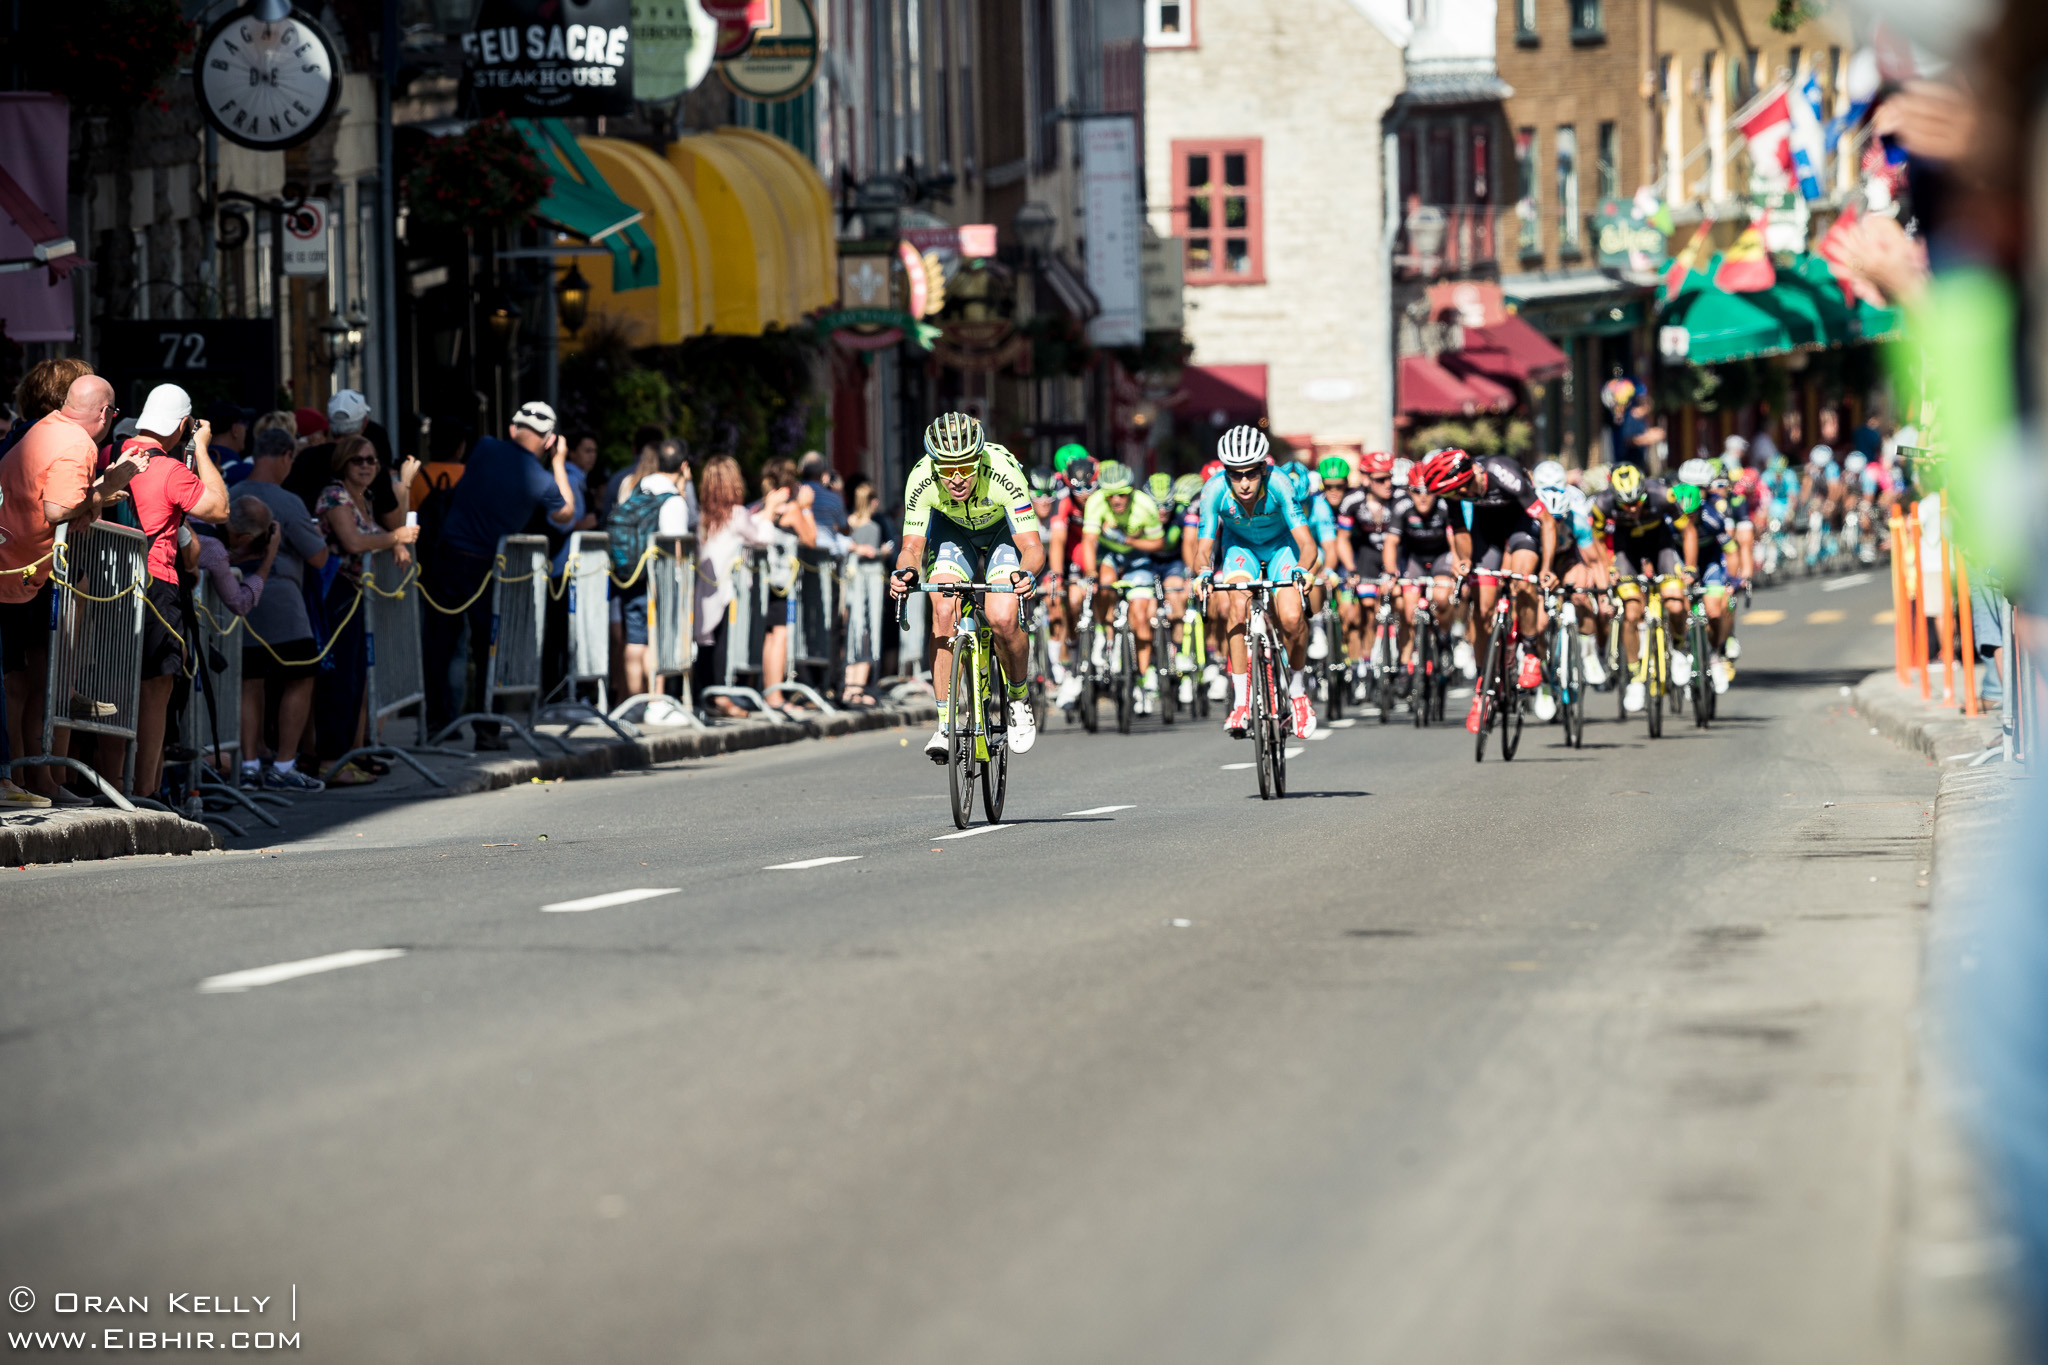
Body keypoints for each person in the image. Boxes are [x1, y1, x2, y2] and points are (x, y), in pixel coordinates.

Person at [0, 374, 147, 805]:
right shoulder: (78, 442)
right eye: (112, 413)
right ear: (104, 414)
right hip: (23, 571)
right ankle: (20, 778)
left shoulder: (45, 428)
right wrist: (97, 497)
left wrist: (97, 494)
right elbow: (59, 507)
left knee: (30, 678)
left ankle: (32, 778)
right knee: (25, 679)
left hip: (21, 569)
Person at [889, 413, 1045, 760]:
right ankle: (945, 723)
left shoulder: (1003, 472)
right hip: (953, 533)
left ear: (979, 460)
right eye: (946, 470)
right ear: (935, 466)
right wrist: (905, 574)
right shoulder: (920, 478)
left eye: (966, 468)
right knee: (944, 609)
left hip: (1003, 532)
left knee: (1002, 616)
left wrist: (1026, 575)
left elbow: (1033, 547)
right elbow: (912, 549)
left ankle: (1018, 697)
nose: (957, 478)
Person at [422, 399, 575, 749]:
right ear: (550, 441)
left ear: (511, 429)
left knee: (440, 644)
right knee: (488, 647)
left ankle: (436, 725)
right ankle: (487, 730)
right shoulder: (540, 479)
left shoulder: (485, 447)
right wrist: (560, 464)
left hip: (447, 557)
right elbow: (567, 513)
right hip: (486, 566)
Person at [120, 384, 232, 800]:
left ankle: (119, 782)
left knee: (119, 686)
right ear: (183, 425)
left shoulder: (119, 453)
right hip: (156, 584)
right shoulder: (168, 469)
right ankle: (145, 789)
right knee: (156, 688)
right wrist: (202, 448)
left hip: (113, 580)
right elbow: (220, 509)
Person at [1411, 446, 1559, 731]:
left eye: (1460, 492)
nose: (1459, 498)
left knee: (1523, 578)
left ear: (1469, 477)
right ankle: (1483, 685)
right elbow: (1461, 530)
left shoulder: (1504, 474)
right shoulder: (1452, 489)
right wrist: (1463, 561)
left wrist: (1547, 569)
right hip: (1486, 532)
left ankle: (1529, 652)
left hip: (1521, 525)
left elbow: (1547, 521)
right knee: (1482, 610)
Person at [1188, 425, 1321, 740]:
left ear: (1263, 468)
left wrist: (1302, 569)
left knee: (1290, 617)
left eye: (1251, 473)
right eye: (1235, 474)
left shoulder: (1280, 484)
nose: (1244, 483)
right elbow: (1204, 548)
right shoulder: (1213, 491)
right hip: (1240, 549)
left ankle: (1299, 693)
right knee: (1237, 608)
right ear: (1226, 472)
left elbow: (1307, 543)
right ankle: (1241, 701)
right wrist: (1204, 574)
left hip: (1282, 548)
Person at [313, 435, 422, 783]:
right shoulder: (334, 495)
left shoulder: (365, 498)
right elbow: (354, 542)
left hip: (358, 592)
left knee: (357, 677)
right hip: (336, 591)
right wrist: (395, 539)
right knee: (339, 678)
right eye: (358, 460)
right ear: (343, 464)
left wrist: (395, 542)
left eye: (372, 460)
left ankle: (351, 755)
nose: (365, 466)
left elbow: (376, 532)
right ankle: (329, 760)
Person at [229, 425, 332, 791]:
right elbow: (319, 557)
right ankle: (285, 766)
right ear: (287, 456)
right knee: (302, 675)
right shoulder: (287, 502)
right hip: (281, 599)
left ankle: (251, 765)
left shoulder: (232, 492)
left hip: (236, 597)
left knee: (249, 680)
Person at [1590, 462, 1698, 714]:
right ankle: (1636, 677)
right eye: (1625, 505)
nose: (1632, 508)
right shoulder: (1602, 504)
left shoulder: (1663, 495)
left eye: (1637, 502)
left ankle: (1680, 648)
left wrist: (1690, 567)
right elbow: (1596, 538)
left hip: (1660, 544)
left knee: (1674, 600)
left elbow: (1689, 531)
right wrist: (1609, 567)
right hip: (1626, 548)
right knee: (1631, 613)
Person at [1078, 460, 1168, 713]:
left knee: (1141, 615)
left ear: (1131, 491)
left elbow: (1158, 543)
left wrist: (1127, 539)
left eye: (1122, 494)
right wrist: (1090, 573)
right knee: (1103, 584)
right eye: (1111, 495)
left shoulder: (1145, 505)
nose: (1116, 500)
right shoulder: (1096, 502)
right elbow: (1089, 540)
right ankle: (1104, 633)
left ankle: (1142, 679)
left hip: (1138, 558)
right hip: (1109, 555)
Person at [608, 438, 693, 698]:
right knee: (655, 640)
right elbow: (676, 551)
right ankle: (655, 701)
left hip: (629, 576)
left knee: (635, 640)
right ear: (684, 466)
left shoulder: (636, 487)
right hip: (657, 583)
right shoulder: (673, 501)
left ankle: (633, 700)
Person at [691, 454, 775, 714]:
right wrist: (769, 510)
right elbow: (762, 538)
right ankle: (721, 696)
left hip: (704, 587)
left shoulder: (701, 516)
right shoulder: (737, 514)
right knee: (723, 643)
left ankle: (703, 695)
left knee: (706, 642)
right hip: (727, 588)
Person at [755, 456, 818, 706]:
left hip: (767, 580)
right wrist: (806, 508)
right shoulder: (791, 509)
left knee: (770, 635)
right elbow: (811, 539)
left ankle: (770, 690)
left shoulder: (766, 505)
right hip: (782, 581)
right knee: (780, 635)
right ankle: (775, 694)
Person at [842, 478, 894, 704]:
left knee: (851, 634)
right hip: (867, 584)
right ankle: (858, 689)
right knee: (865, 634)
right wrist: (883, 552)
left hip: (849, 586)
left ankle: (848, 687)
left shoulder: (849, 523)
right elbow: (873, 554)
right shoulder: (872, 527)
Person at [1610, 390, 1667, 471]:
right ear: (1645, 407)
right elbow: (1629, 440)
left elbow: (1641, 434)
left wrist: (1650, 433)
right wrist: (1649, 438)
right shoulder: (1630, 418)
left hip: (1637, 463)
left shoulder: (1641, 421)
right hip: (1626, 463)